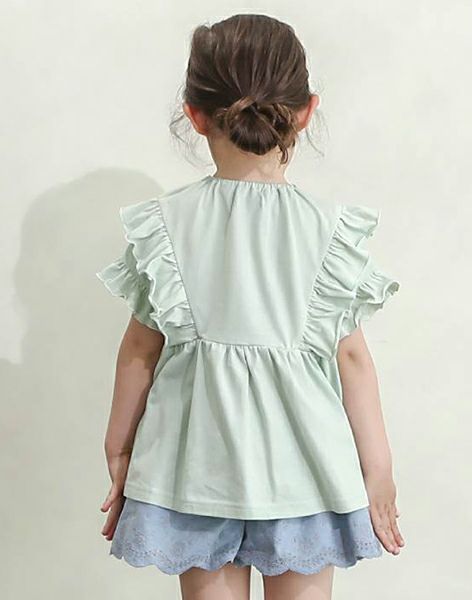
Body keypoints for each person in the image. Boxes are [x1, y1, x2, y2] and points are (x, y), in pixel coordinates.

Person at [95, 13, 405, 600]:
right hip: (305, 476)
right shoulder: (330, 232)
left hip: (193, 474)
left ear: (194, 115)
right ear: (306, 112)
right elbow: (354, 361)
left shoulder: (164, 226)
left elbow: (138, 351)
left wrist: (120, 447)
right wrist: (379, 470)